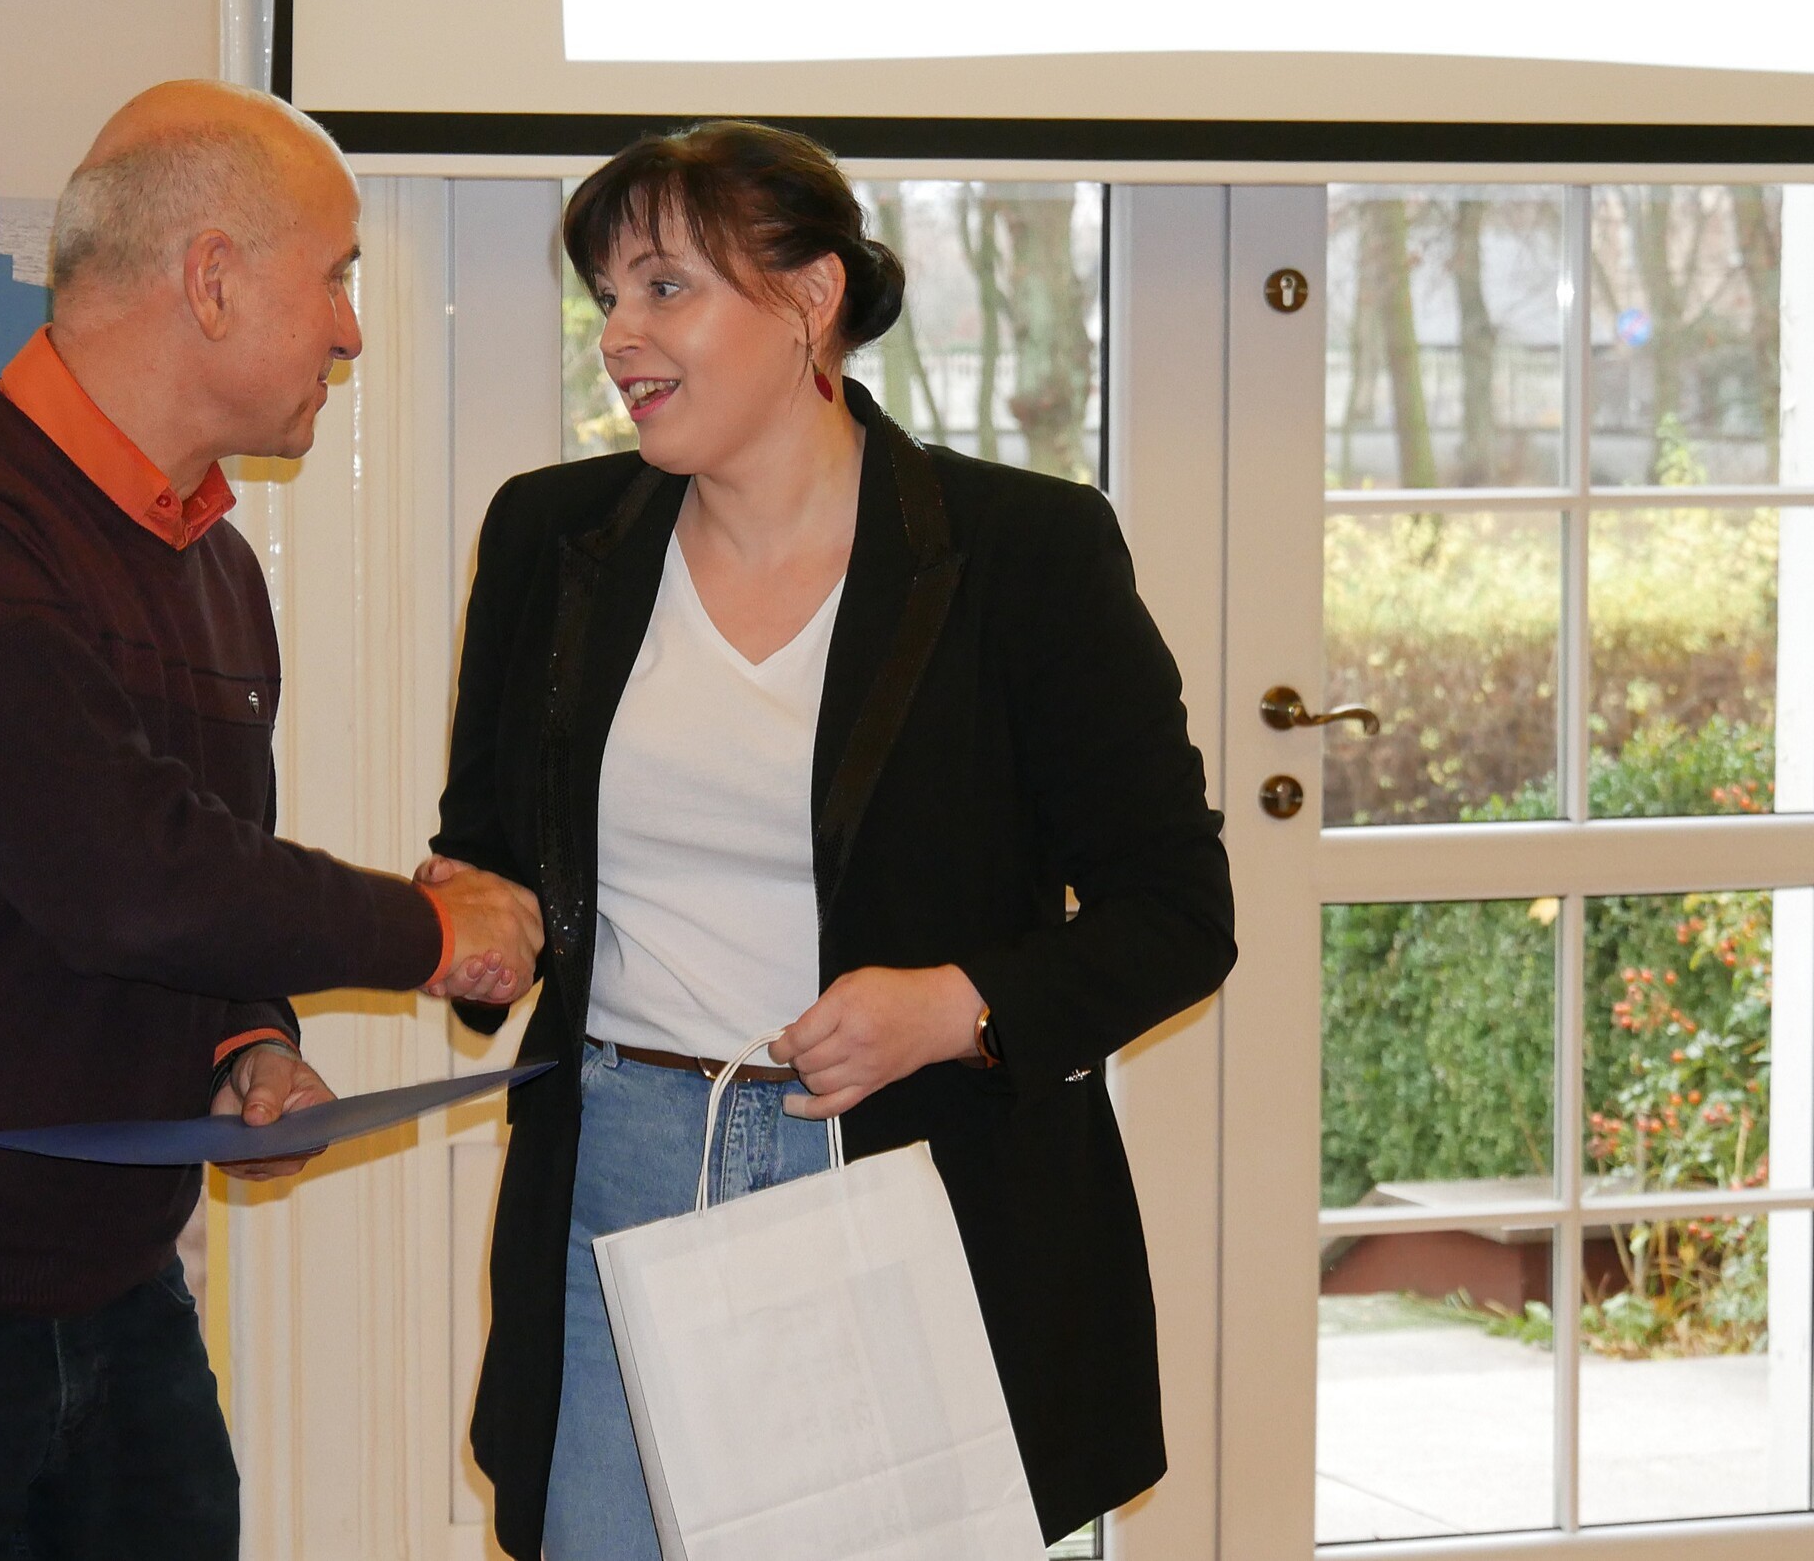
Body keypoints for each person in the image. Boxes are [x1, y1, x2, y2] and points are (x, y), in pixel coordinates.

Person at [0, 81, 542, 1561]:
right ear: (211, 280)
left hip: (115, 1294)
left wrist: (247, 1043)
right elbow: (127, 878)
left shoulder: (214, 566)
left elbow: (191, 893)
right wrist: (429, 928)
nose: (352, 329)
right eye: (335, 276)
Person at [424, 121, 1237, 1559]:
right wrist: (472, 928)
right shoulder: (551, 537)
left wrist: (959, 1008)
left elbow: (1177, 909)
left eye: (665, 287)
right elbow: (488, 848)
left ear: (810, 298)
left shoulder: (1024, 551)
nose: (618, 335)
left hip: (913, 1175)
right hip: (621, 1159)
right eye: (605, 296)